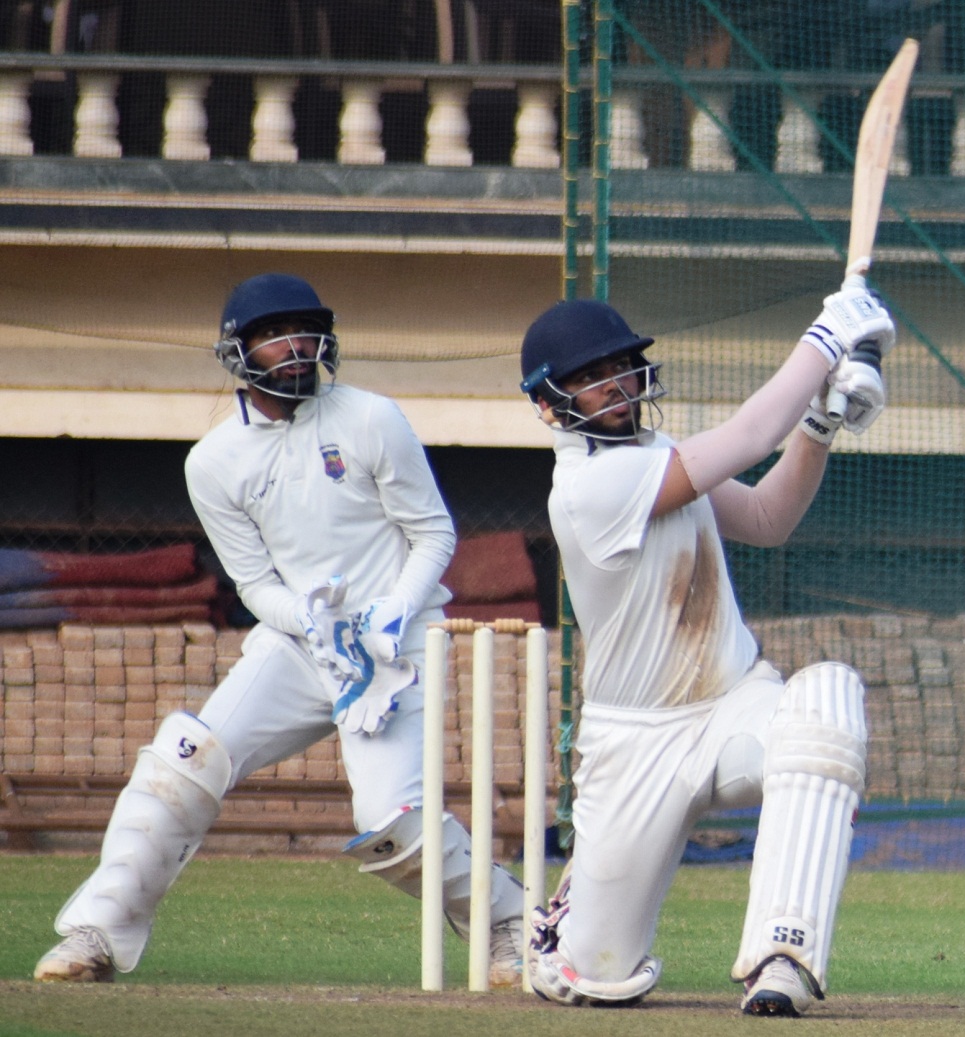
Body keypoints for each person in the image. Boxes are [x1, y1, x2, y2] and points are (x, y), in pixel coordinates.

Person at [34, 272, 524, 987]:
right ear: (238, 352)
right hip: (300, 645)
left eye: (303, 331)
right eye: (272, 335)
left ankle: (509, 921)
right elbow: (256, 583)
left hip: (397, 647)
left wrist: (393, 610)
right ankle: (95, 933)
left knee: (391, 823)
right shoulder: (214, 461)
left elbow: (433, 533)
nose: (294, 347)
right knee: (185, 757)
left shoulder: (371, 418)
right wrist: (309, 620)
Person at [518, 283, 895, 1015]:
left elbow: (766, 515)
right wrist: (824, 340)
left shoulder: (654, 455)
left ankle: (782, 953)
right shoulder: (590, 486)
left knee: (826, 700)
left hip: (732, 704)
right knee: (597, 976)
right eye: (590, 377)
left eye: (621, 367)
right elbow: (753, 434)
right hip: (633, 744)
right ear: (548, 403)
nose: (616, 385)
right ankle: (569, 924)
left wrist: (819, 423)